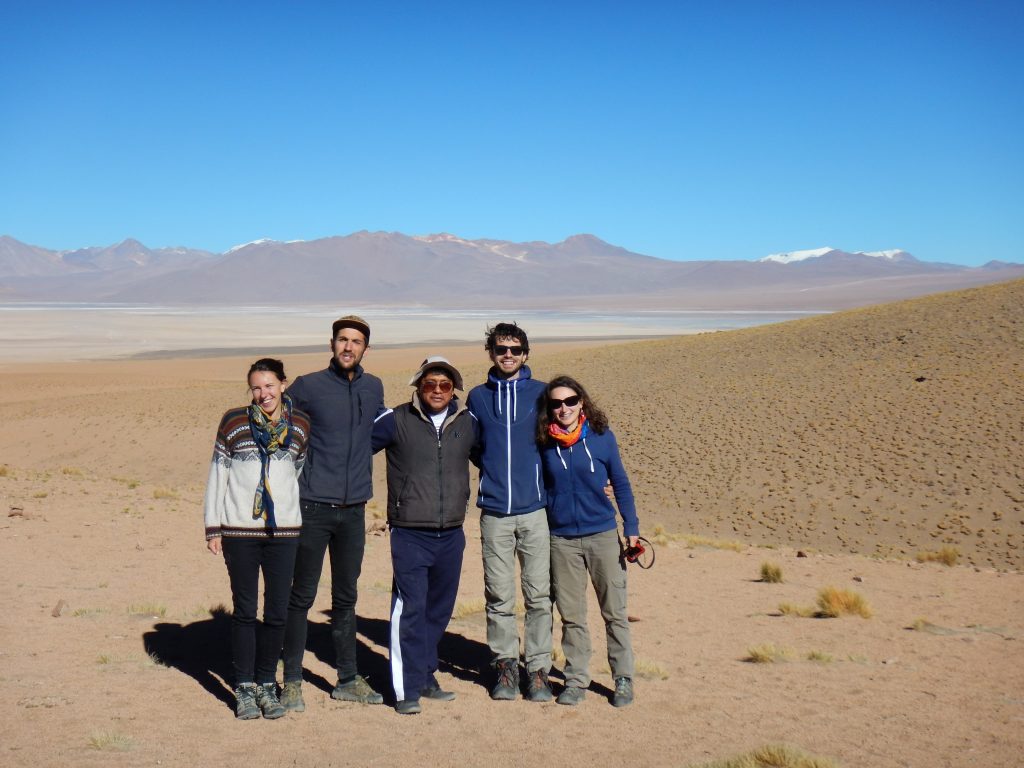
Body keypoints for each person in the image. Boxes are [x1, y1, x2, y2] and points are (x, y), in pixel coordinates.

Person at [280, 316, 387, 712]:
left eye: (356, 341)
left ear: (365, 349)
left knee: (346, 597)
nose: (348, 347)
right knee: (302, 595)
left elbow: (380, 431)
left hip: (355, 509)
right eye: (342, 339)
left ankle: (346, 678)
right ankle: (291, 681)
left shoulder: (373, 387)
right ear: (331, 343)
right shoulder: (308, 386)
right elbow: (277, 420)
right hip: (313, 507)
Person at [203, 358, 310, 719]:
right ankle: (245, 688)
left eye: (269, 385)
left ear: (283, 384)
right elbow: (219, 474)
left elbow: (295, 471)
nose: (263, 394)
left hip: (284, 532)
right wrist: (213, 525)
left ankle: (268, 684)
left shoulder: (300, 425)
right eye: (256, 387)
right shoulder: (233, 422)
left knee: (278, 612)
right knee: (245, 612)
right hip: (239, 531)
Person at [371, 357, 479, 715]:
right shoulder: (395, 419)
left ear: (454, 390)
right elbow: (354, 449)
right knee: (410, 608)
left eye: (445, 385)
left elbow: (495, 459)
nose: (437, 391)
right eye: (430, 384)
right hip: (410, 532)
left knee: (438, 610)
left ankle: (426, 674)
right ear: (418, 385)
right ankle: (406, 690)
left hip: (451, 532)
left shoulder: (467, 423)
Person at [536, 375, 639, 708]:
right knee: (572, 615)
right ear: (548, 409)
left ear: (582, 402)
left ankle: (622, 678)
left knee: (614, 613)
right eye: (555, 403)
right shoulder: (542, 442)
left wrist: (631, 527)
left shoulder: (601, 438)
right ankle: (577, 679)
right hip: (561, 539)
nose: (563, 408)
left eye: (570, 401)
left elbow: (620, 483)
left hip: (602, 536)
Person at [466, 322, 553, 701]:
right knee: (499, 595)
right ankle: (505, 667)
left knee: (538, 595)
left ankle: (537, 670)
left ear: (526, 354)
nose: (508, 355)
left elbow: (559, 439)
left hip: (535, 510)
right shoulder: (478, 397)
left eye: (515, 350)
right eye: (501, 349)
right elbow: (473, 446)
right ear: (491, 352)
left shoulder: (543, 393)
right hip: (495, 513)